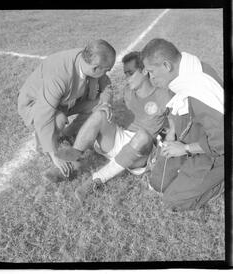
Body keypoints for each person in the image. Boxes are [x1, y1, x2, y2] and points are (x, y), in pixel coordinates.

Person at [56, 51, 172, 204]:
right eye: (125, 74)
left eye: (130, 73)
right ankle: (75, 157)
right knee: (99, 114)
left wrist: (165, 147)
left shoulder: (164, 96)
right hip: (120, 139)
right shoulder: (128, 91)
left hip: (141, 153)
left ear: (144, 71)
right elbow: (111, 96)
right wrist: (105, 107)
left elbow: (175, 126)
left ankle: (95, 181)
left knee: (143, 135)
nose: (126, 78)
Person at [141, 38, 224, 211]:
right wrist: (172, 130)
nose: (151, 77)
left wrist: (185, 149)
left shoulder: (200, 90)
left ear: (166, 65)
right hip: (201, 135)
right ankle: (191, 167)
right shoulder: (185, 70)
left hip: (220, 152)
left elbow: (222, 142)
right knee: (159, 184)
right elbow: (179, 107)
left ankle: (221, 180)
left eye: (151, 71)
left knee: (173, 201)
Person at [18, 39, 116, 178]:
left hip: (65, 102)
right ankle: (46, 146)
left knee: (99, 105)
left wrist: (105, 103)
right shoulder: (59, 75)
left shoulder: (89, 62)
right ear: (95, 68)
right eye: (106, 70)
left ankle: (66, 135)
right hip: (35, 104)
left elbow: (107, 86)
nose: (107, 73)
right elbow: (43, 115)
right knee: (58, 119)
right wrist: (54, 155)